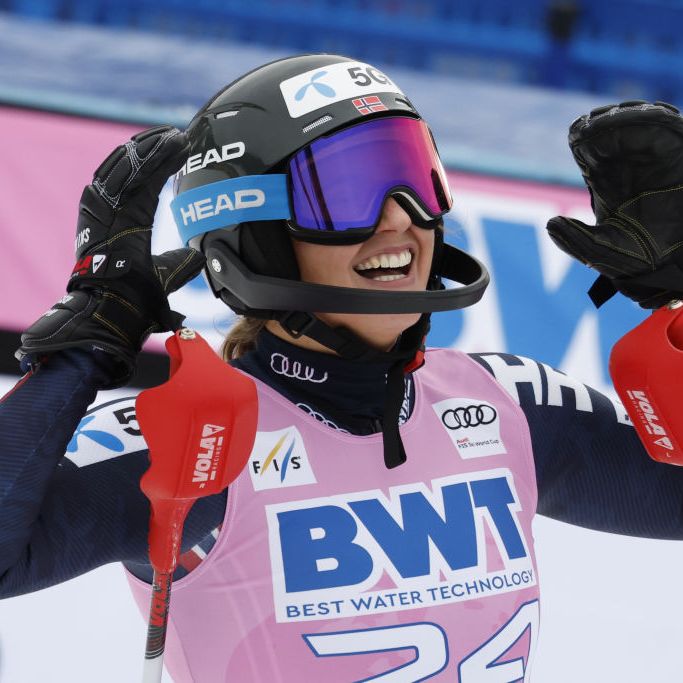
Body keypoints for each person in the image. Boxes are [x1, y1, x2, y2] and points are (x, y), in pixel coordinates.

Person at [2, 54, 683, 682]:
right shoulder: (192, 438)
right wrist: (89, 341)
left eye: (416, 181)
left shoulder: (507, 404)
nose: (400, 221)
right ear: (256, 238)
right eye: (346, 189)